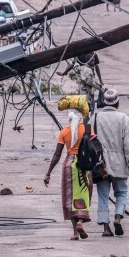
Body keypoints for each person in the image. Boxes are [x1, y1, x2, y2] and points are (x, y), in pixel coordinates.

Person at [92, 89, 129, 237]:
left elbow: (88, 142)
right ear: (117, 102)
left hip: (101, 165)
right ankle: (118, 217)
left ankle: (106, 227)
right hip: (119, 164)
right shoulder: (124, 119)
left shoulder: (94, 118)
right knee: (121, 192)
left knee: (103, 196)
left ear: (103, 102)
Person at [43, 101, 91, 240]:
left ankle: (75, 233)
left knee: (69, 198)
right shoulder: (87, 130)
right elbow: (94, 148)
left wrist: (48, 173)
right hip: (84, 165)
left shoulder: (64, 132)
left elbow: (57, 155)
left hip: (69, 165)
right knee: (83, 194)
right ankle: (81, 222)